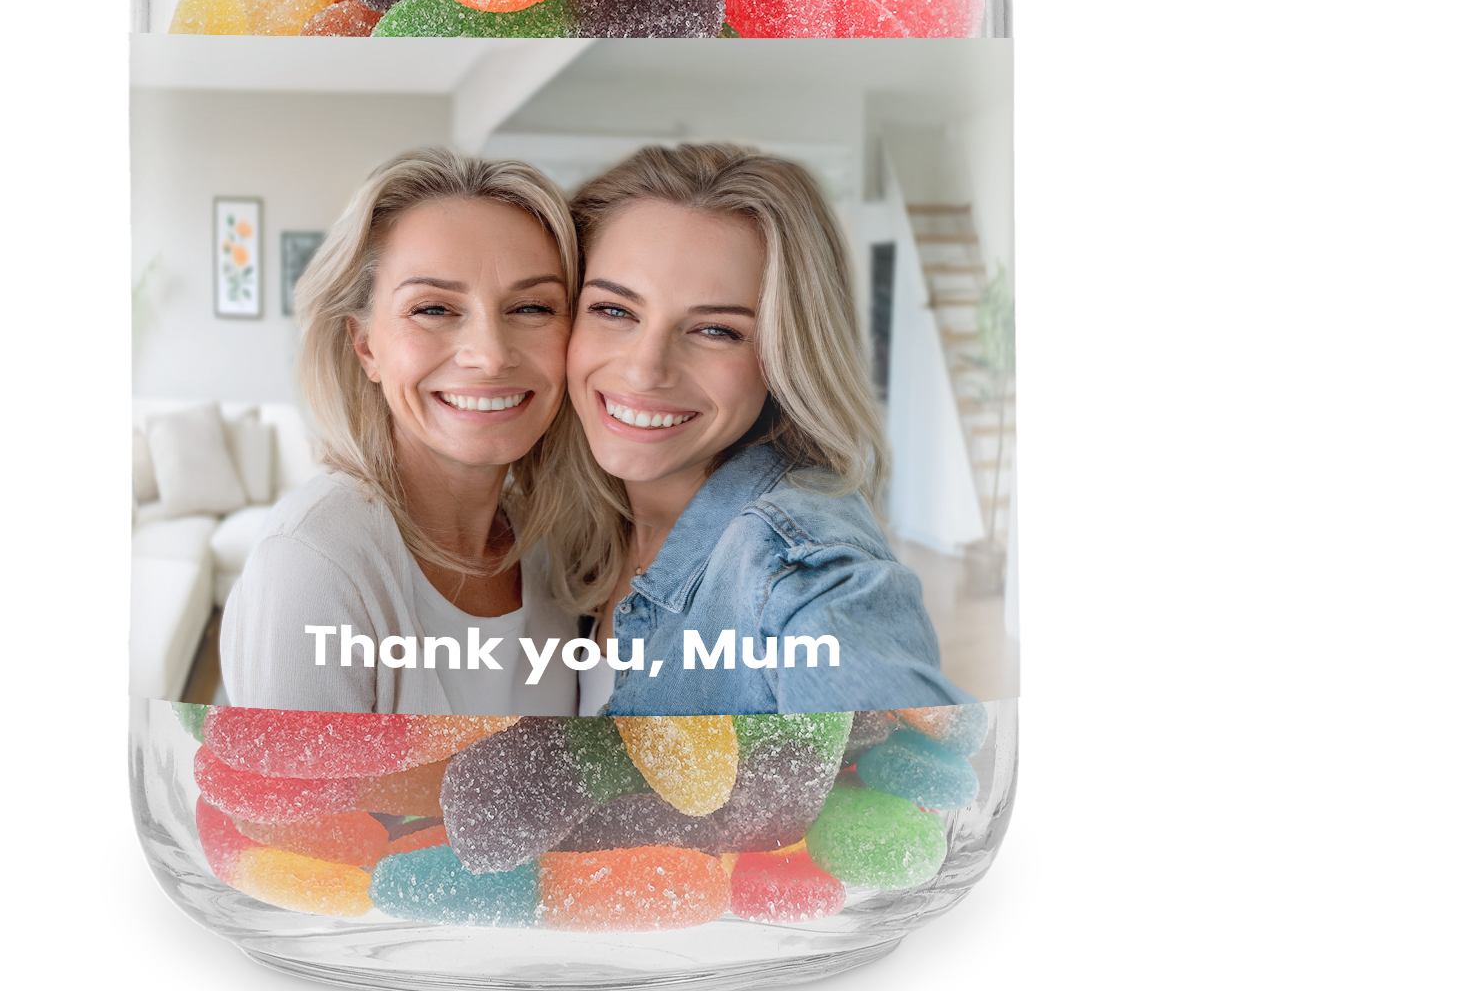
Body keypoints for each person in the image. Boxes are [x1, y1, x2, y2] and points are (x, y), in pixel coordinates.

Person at [551, 143, 973, 716]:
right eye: (614, 310)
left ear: (784, 357)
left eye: (717, 330)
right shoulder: (564, 527)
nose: (645, 369)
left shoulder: (798, 568)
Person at [219, 148, 581, 713]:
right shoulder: (313, 560)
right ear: (365, 345)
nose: (489, 355)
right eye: (433, 309)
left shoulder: (551, 551)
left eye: (533, 307)